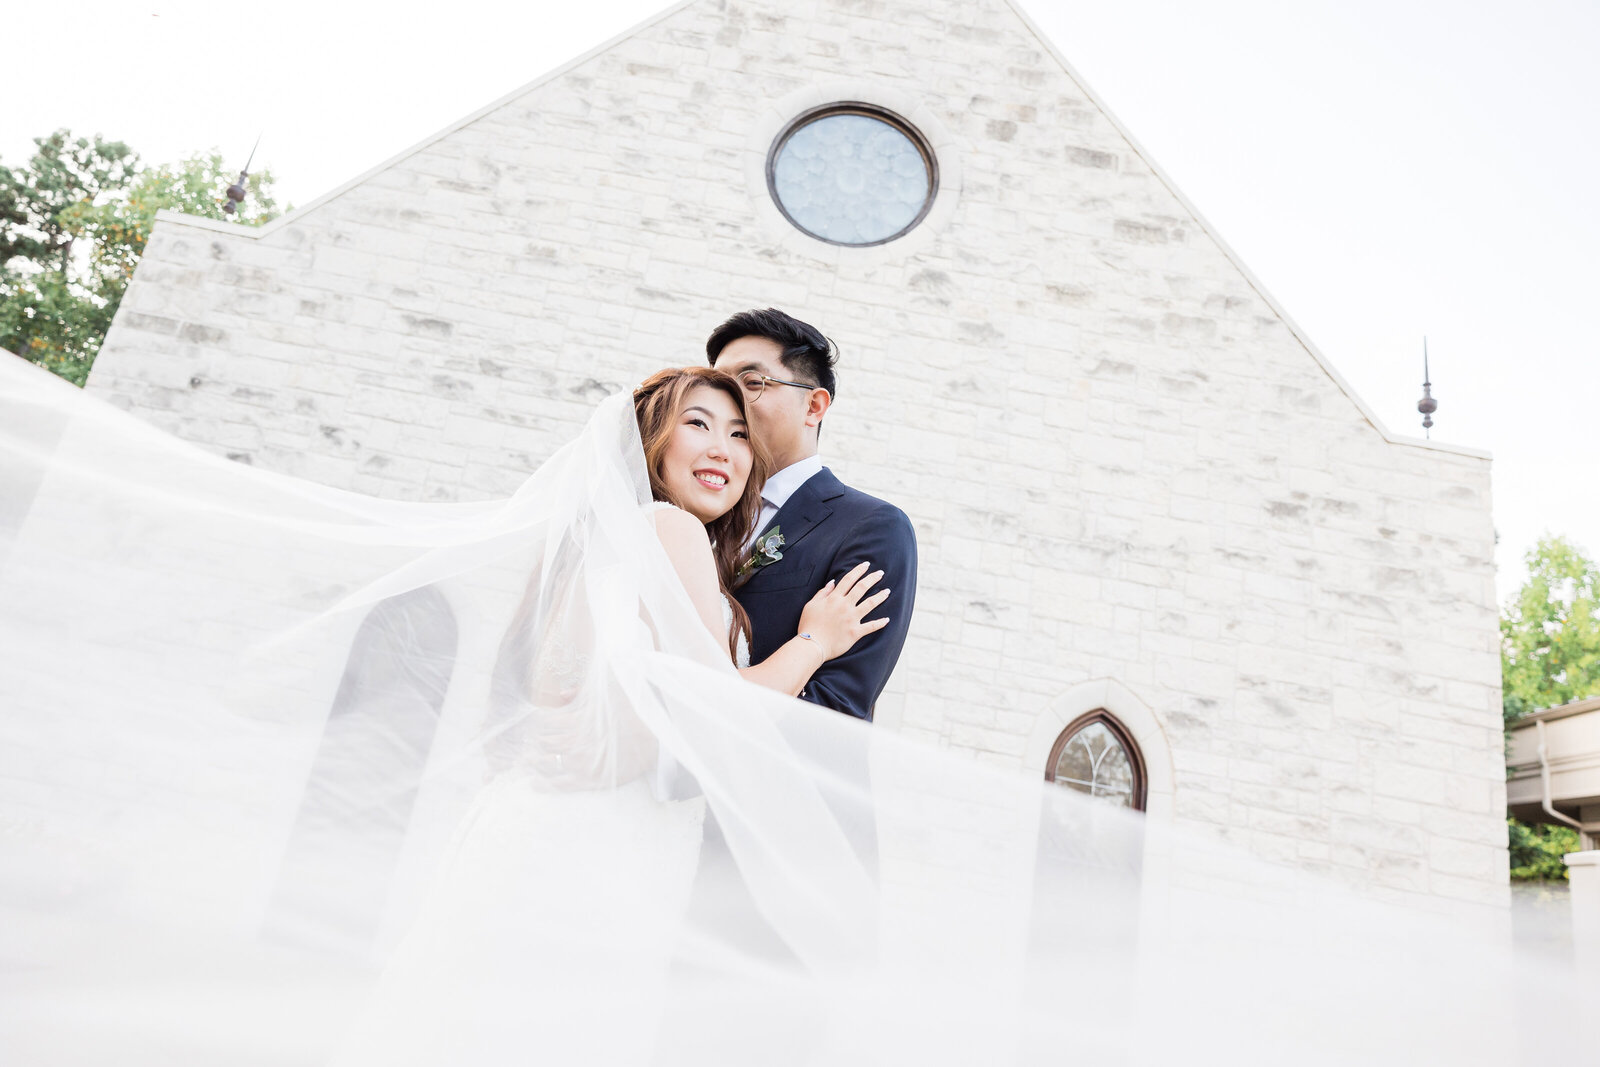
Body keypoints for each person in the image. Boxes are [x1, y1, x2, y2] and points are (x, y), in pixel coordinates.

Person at [706, 309, 918, 722]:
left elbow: (835, 707)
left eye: (752, 383)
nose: (728, 400)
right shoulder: (691, 516)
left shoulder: (871, 526)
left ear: (814, 406)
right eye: (718, 385)